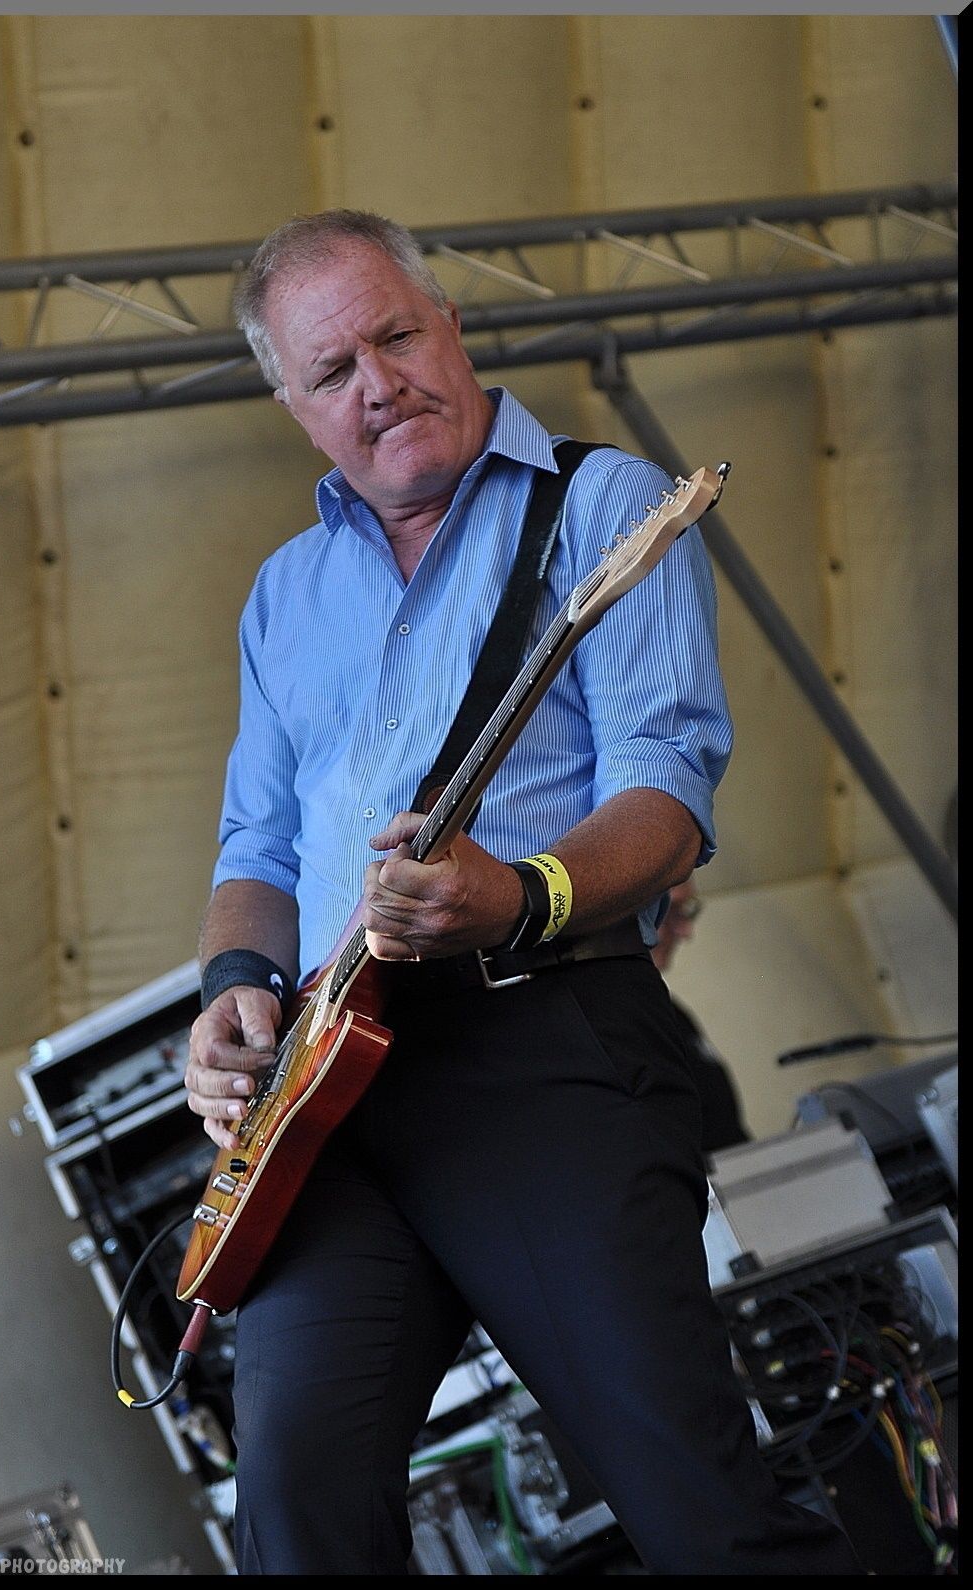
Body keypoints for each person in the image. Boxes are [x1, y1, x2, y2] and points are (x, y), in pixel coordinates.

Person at [184, 209, 863, 1576]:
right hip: (328, 1101)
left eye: (396, 334)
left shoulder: (601, 504)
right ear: (293, 406)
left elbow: (664, 791)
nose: (378, 383)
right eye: (332, 371)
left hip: (545, 1047)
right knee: (297, 1511)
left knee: (699, 1512)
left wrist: (521, 894)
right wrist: (232, 992)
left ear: (451, 322)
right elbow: (253, 851)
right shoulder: (283, 594)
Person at [651, 876, 752, 1155]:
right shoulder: (603, 1024)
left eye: (687, 911)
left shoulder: (672, 1014)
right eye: (673, 911)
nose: (686, 931)